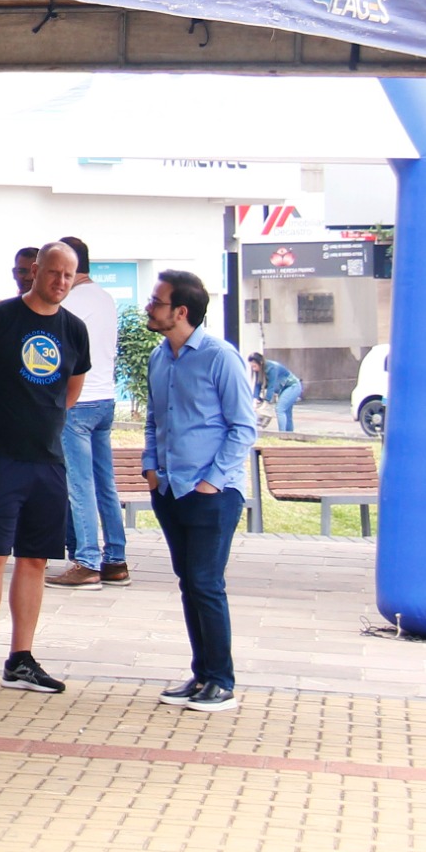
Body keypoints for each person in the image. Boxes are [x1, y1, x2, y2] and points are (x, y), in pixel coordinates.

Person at [0, 238, 90, 696]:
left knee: (34, 558)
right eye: (53, 272)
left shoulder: (74, 330)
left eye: (69, 275)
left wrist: (41, 425)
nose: (61, 282)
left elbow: (71, 390)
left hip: (47, 460)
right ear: (36, 271)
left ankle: (22, 658)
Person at [143, 269, 259, 713]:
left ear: (181, 312)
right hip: (170, 489)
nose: (150, 308)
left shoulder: (219, 357)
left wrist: (213, 480)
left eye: (157, 301)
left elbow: (243, 427)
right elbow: (155, 418)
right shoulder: (160, 357)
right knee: (189, 583)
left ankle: (221, 681)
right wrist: (151, 468)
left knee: (206, 583)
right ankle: (201, 674)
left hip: (213, 492)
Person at [47, 236, 128, 591]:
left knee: (79, 486)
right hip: (105, 402)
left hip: (77, 403)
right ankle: (115, 560)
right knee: (104, 483)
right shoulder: (106, 298)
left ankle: (87, 562)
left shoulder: (71, 302)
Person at [252, 352, 303, 434]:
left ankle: (282, 435)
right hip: (284, 388)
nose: (253, 369)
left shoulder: (272, 367)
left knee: (280, 409)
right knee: (287, 412)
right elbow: (258, 384)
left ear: (260, 363)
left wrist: (266, 402)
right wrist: (254, 400)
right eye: (252, 367)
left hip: (293, 386)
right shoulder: (259, 370)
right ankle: (289, 435)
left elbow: (271, 386)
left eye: (254, 366)